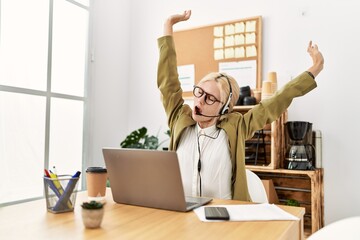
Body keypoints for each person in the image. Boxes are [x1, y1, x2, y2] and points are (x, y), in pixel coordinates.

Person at [157, 10, 324, 201]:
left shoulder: (237, 127)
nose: (200, 100)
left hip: (224, 218)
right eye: (199, 92)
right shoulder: (180, 118)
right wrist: (168, 25)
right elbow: (168, 81)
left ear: (225, 108)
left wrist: (316, 67)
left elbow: (276, 101)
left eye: (210, 98)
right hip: (180, 214)